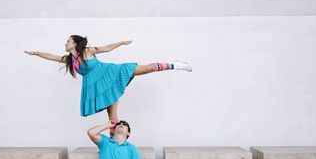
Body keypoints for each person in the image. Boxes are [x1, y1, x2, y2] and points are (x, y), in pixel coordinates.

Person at [25, 35, 192, 135]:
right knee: (112, 117)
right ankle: (113, 144)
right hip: (98, 87)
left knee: (146, 69)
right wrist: (37, 53)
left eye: (67, 41)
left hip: (111, 74)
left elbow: (106, 48)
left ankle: (175, 65)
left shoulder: (88, 51)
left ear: (75, 43)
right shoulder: (70, 59)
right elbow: (52, 56)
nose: (65, 44)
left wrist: (122, 43)